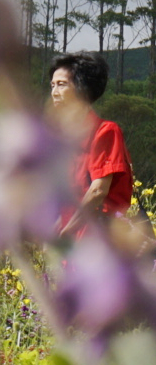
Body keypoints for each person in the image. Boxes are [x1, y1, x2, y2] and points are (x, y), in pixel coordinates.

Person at [50, 51, 133, 238]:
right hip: (74, 247)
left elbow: (97, 191)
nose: (54, 92)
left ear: (82, 88)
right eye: (52, 85)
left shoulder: (105, 131)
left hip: (101, 242)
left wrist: (67, 231)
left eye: (62, 85)